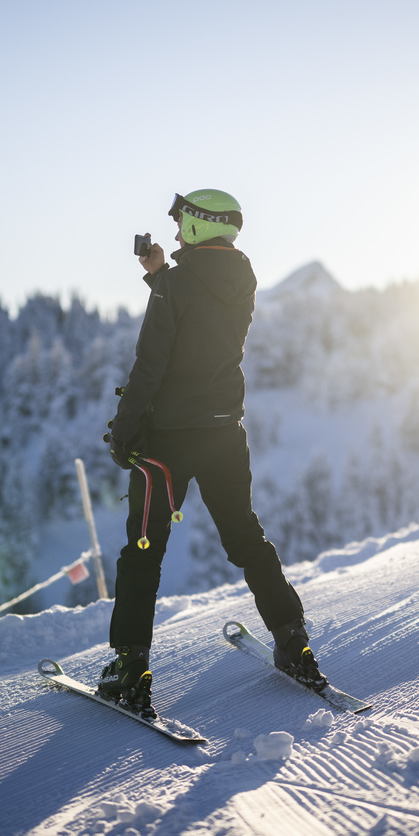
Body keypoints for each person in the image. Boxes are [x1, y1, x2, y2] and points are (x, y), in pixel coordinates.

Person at [97, 189, 325, 716]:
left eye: (181, 225)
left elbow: (151, 363)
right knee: (246, 536)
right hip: (224, 432)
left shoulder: (175, 286)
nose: (175, 235)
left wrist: (123, 433)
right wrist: (160, 277)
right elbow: (199, 325)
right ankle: (294, 643)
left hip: (168, 442)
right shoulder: (241, 279)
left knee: (144, 549)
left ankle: (130, 668)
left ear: (198, 226)